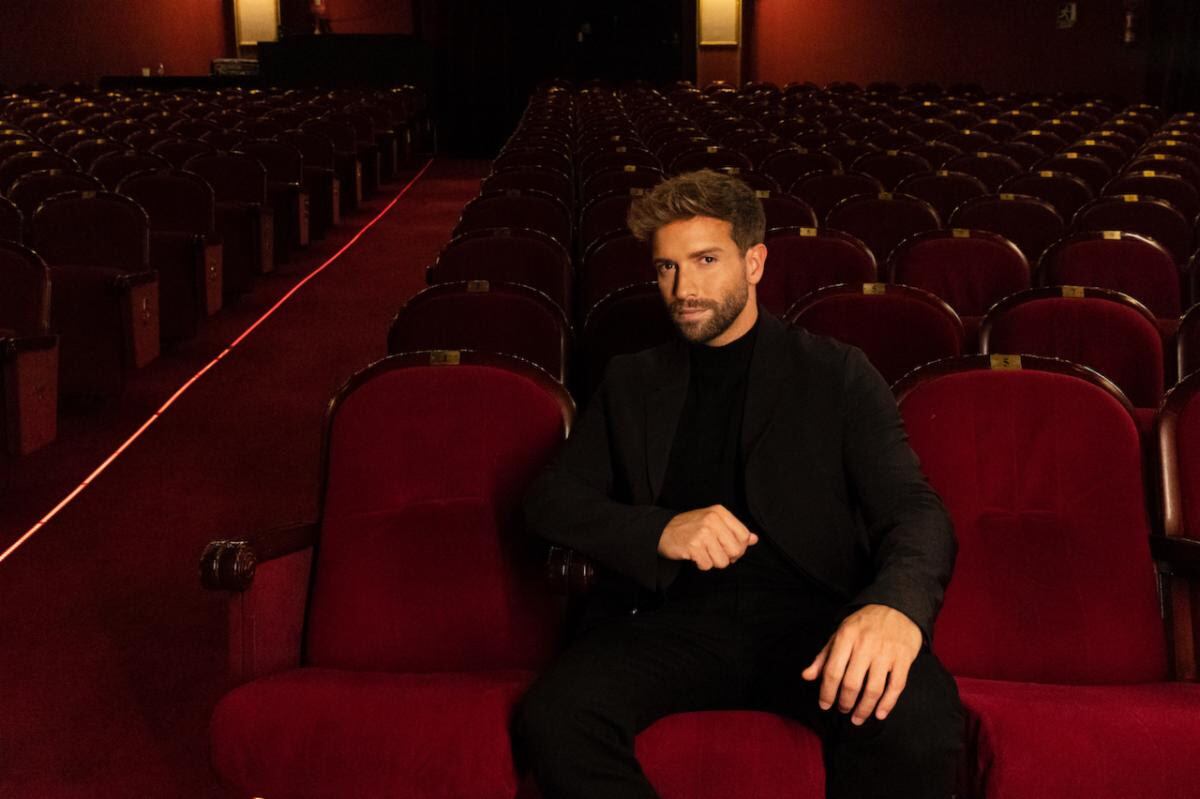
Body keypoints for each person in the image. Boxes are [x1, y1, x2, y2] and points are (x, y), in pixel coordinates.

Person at [514, 169, 964, 799]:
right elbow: (549, 500)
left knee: (920, 719)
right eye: (667, 267)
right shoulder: (632, 381)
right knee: (556, 716)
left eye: (706, 260)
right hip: (671, 621)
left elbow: (914, 509)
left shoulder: (835, 372)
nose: (684, 288)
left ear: (754, 263)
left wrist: (896, 607)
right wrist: (659, 530)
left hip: (810, 620)